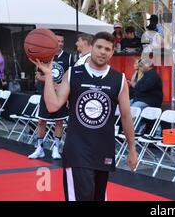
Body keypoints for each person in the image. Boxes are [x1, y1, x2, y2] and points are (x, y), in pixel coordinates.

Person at [31, 32, 138, 201]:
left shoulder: (119, 79)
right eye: (99, 47)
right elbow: (53, 105)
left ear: (112, 53)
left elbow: (125, 116)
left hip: (104, 151)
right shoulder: (73, 73)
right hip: (77, 151)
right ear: (92, 47)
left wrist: (132, 149)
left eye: (107, 49)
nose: (103, 52)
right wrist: (49, 76)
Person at [29, 32, 72, 160]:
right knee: (41, 121)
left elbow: (70, 76)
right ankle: (39, 148)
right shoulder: (45, 55)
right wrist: (49, 81)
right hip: (46, 93)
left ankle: (55, 149)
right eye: (57, 41)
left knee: (59, 122)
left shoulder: (68, 58)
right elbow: (38, 75)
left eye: (62, 41)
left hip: (61, 95)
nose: (60, 43)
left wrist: (63, 88)